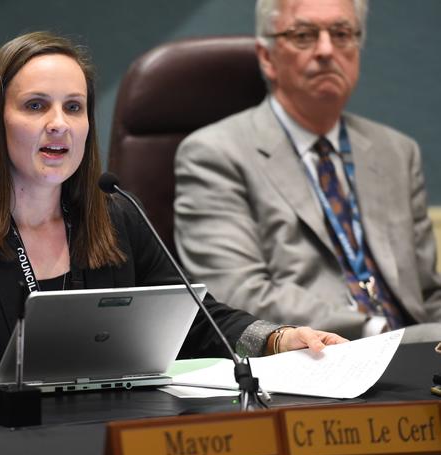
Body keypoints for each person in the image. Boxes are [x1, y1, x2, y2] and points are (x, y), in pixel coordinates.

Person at [0, 31, 345, 384]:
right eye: (35, 106)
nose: (58, 125)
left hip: (111, 436)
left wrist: (276, 339)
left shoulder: (116, 217)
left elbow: (195, 320)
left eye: (74, 107)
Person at [174, 0, 441, 341]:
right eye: (304, 35)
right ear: (267, 57)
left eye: (342, 34)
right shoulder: (214, 154)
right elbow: (236, 294)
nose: (327, 50)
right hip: (315, 357)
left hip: (417, 356)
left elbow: (428, 295)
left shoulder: (398, 153)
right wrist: (377, 331)